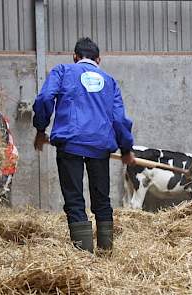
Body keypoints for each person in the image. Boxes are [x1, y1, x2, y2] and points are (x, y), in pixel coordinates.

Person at [33, 37, 135, 253]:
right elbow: (120, 119)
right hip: (99, 146)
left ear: (75, 57)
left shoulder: (62, 71)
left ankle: (84, 257)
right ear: (98, 59)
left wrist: (41, 129)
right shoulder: (109, 81)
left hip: (70, 145)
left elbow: (44, 99)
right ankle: (106, 253)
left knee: (74, 199)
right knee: (102, 199)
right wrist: (126, 149)